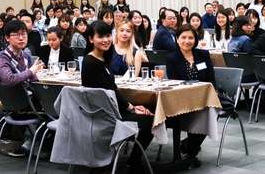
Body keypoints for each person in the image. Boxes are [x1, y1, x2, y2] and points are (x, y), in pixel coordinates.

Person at [81, 21, 153, 173]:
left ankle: (130, 161)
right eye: (100, 36)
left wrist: (132, 106)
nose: (106, 40)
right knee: (151, 120)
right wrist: (131, 108)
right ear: (91, 39)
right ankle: (132, 162)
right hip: (103, 114)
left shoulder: (102, 58)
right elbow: (108, 91)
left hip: (109, 108)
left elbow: (112, 88)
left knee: (149, 110)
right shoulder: (90, 62)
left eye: (108, 35)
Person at [165, 24, 216, 160]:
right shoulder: (172, 58)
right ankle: (191, 150)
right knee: (198, 114)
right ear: (177, 39)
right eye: (183, 37)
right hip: (183, 98)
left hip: (205, 96)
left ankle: (190, 148)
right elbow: (175, 83)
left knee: (208, 112)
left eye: (191, 38)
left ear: (195, 39)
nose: (187, 41)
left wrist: (211, 94)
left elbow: (211, 78)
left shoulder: (203, 54)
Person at [0, 20, 43, 156]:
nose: (21, 38)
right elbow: (9, 80)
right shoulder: (1, 58)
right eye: (16, 35)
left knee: (54, 103)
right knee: (55, 111)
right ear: (7, 38)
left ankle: (37, 142)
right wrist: (31, 71)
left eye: (24, 34)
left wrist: (43, 95)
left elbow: (33, 82)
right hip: (14, 103)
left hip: (27, 101)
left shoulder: (26, 56)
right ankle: (36, 143)